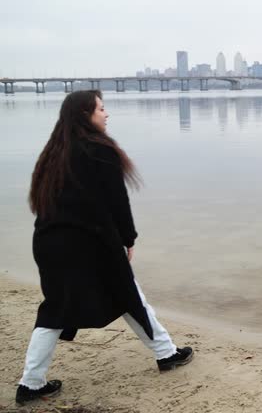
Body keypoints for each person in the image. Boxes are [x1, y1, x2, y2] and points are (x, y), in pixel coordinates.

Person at [16, 90, 193, 406]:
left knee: (57, 309)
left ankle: (30, 384)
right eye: (101, 108)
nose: (106, 114)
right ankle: (166, 353)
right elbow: (117, 202)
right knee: (127, 295)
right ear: (86, 114)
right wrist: (129, 238)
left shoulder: (54, 152)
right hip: (89, 243)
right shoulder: (99, 150)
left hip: (48, 242)